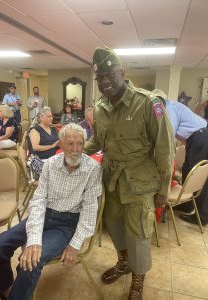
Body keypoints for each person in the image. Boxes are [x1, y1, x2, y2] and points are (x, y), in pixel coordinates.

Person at [84, 47, 174, 299]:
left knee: (138, 235)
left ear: (122, 72)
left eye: (110, 75)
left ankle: (138, 278)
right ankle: (123, 263)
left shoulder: (148, 103)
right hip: (110, 180)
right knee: (114, 227)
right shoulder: (100, 107)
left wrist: (163, 191)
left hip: (140, 182)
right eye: (100, 77)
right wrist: (74, 150)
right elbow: (97, 142)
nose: (104, 81)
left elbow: (165, 149)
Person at [0, 123, 102, 300]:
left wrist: (75, 244)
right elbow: (39, 200)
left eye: (80, 143)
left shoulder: (92, 169)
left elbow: (90, 209)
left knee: (30, 264)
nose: (76, 149)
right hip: (44, 215)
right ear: (61, 145)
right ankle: (5, 288)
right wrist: (34, 240)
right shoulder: (50, 164)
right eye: (70, 144)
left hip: (66, 224)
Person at [153, 89, 208, 226]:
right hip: (201, 135)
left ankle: (201, 216)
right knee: (192, 170)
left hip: (199, 137)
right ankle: (189, 205)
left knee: (193, 172)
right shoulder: (172, 105)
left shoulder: (169, 110)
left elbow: (168, 138)